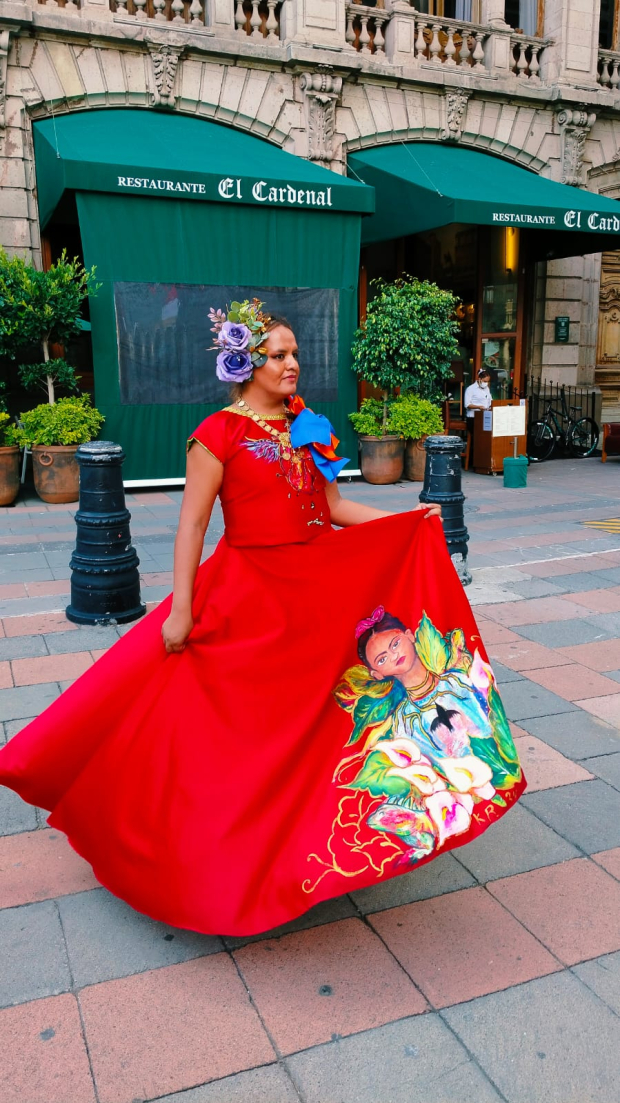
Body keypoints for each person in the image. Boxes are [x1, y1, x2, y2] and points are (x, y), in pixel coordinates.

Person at [0, 299, 525, 937]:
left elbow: (332, 506)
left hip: (314, 589)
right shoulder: (216, 433)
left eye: (295, 354)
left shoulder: (307, 425)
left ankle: (299, 844)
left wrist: (410, 524)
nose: (292, 365)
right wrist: (184, 609)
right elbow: (193, 524)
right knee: (232, 730)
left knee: (309, 729)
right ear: (246, 362)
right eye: (278, 355)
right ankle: (198, 853)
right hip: (248, 591)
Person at [464, 368, 492, 466]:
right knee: (478, 437)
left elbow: (490, 401)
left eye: (487, 382)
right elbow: (467, 404)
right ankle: (474, 461)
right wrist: (478, 407)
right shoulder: (471, 389)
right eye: (484, 381)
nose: (486, 383)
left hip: (485, 416)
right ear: (479, 379)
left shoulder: (487, 389)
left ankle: (485, 459)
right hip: (473, 418)